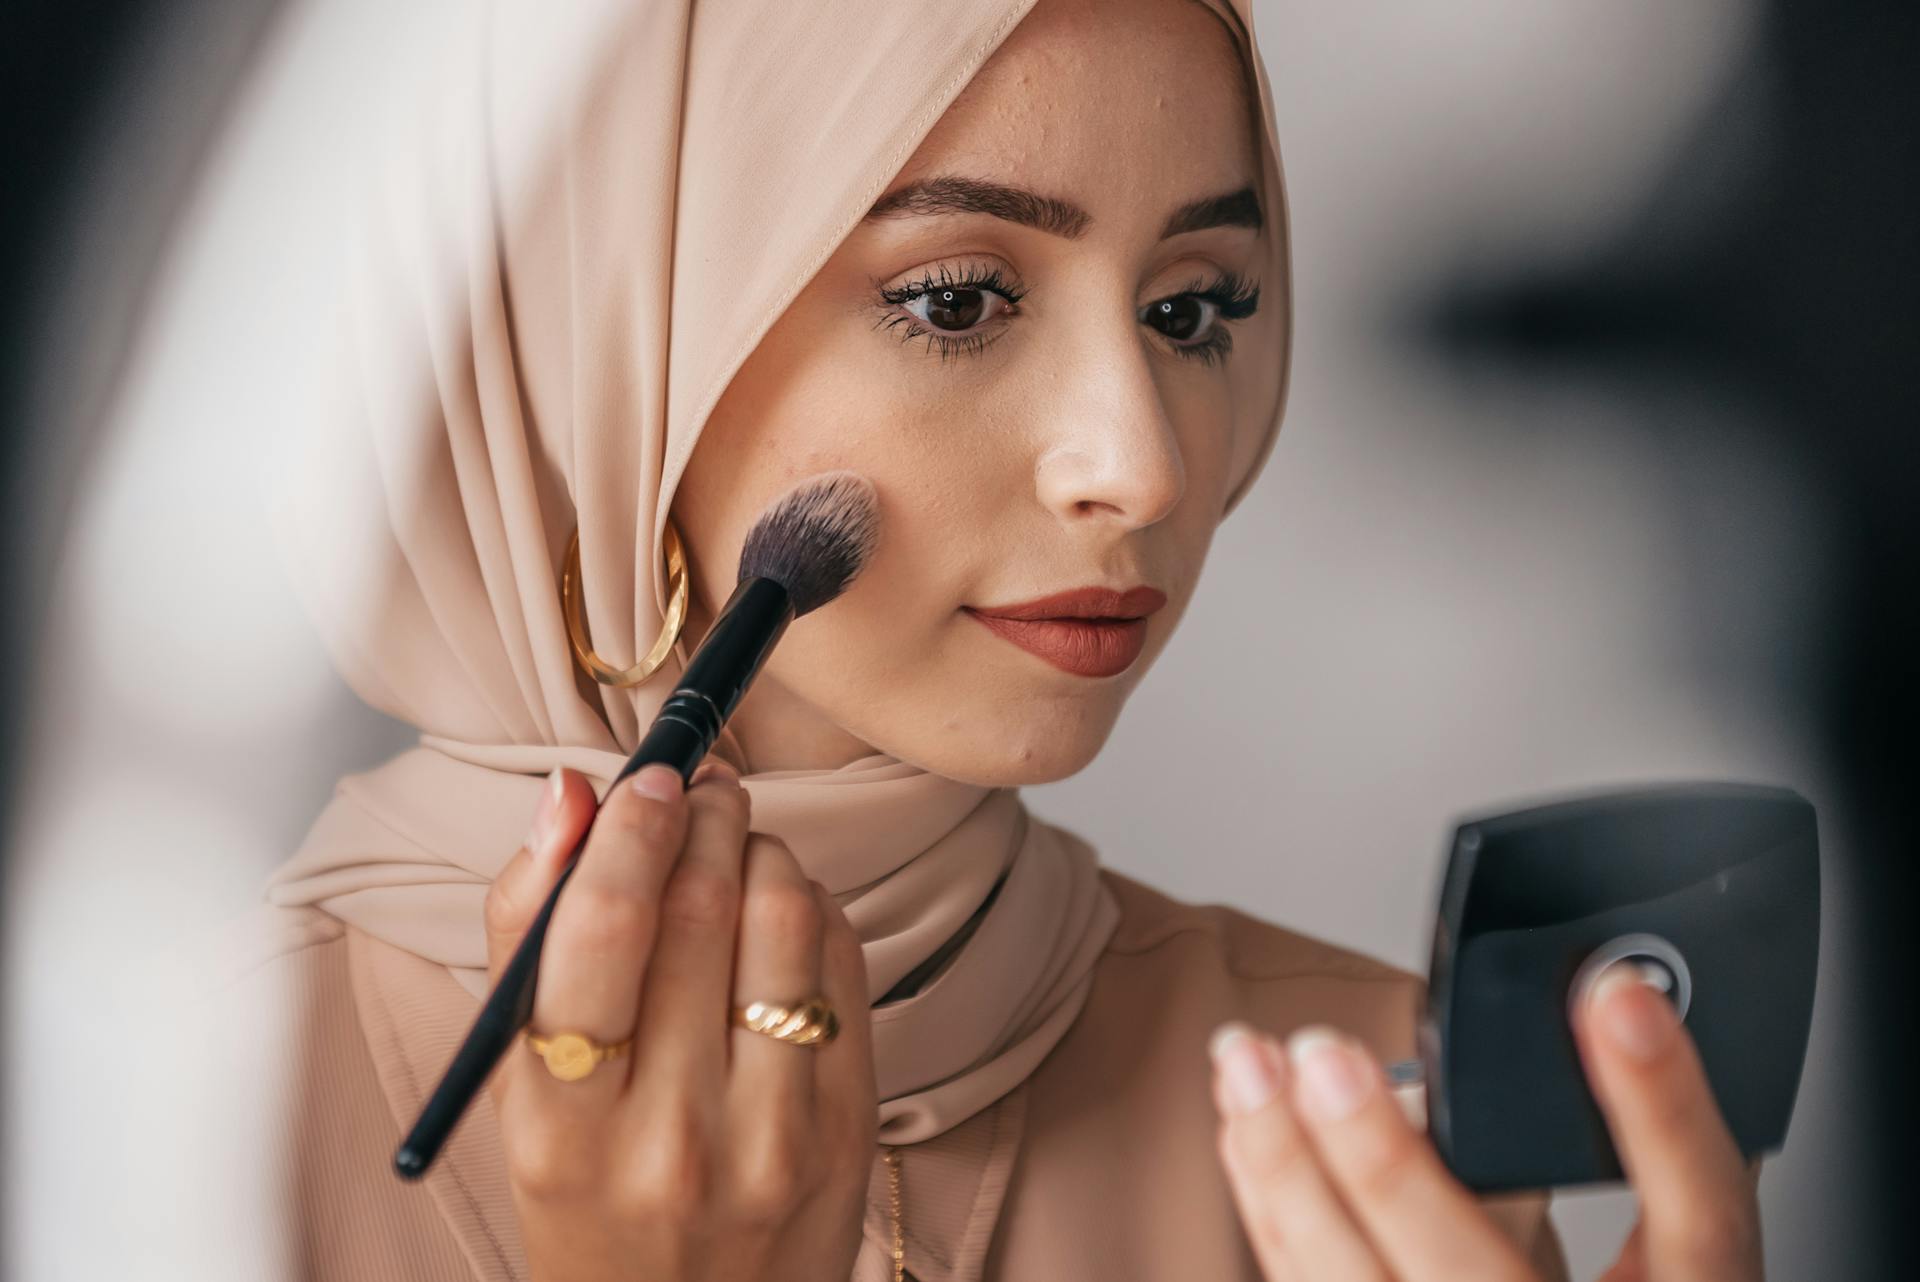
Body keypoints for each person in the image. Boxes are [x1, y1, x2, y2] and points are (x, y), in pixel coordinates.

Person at [203, 0, 1763, 1278]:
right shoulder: (155, 1109)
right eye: (956, 302)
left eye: (1194, 309)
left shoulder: (1349, 1107)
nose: (1141, 464)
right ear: (593, 348)